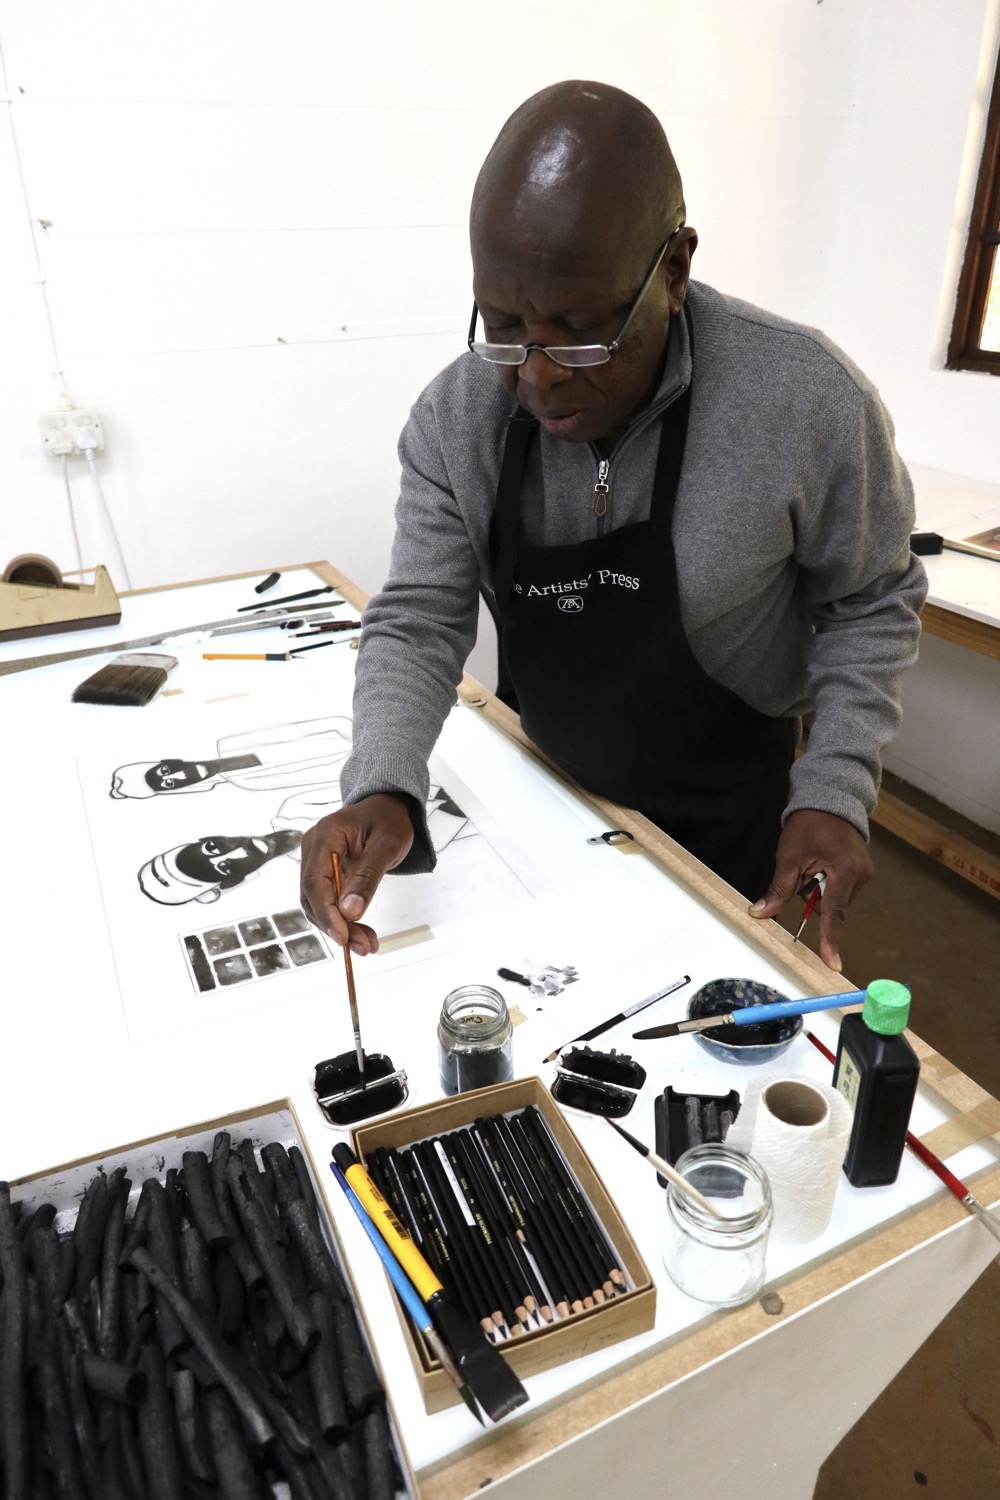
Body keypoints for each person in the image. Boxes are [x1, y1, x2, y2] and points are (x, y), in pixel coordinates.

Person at [299, 80, 927, 973]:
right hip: (547, 800)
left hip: (731, 822)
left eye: (582, 332)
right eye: (507, 327)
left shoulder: (804, 401)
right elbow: (419, 618)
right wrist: (384, 781)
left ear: (674, 269)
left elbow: (873, 597)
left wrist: (834, 786)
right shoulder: (458, 419)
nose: (541, 374)